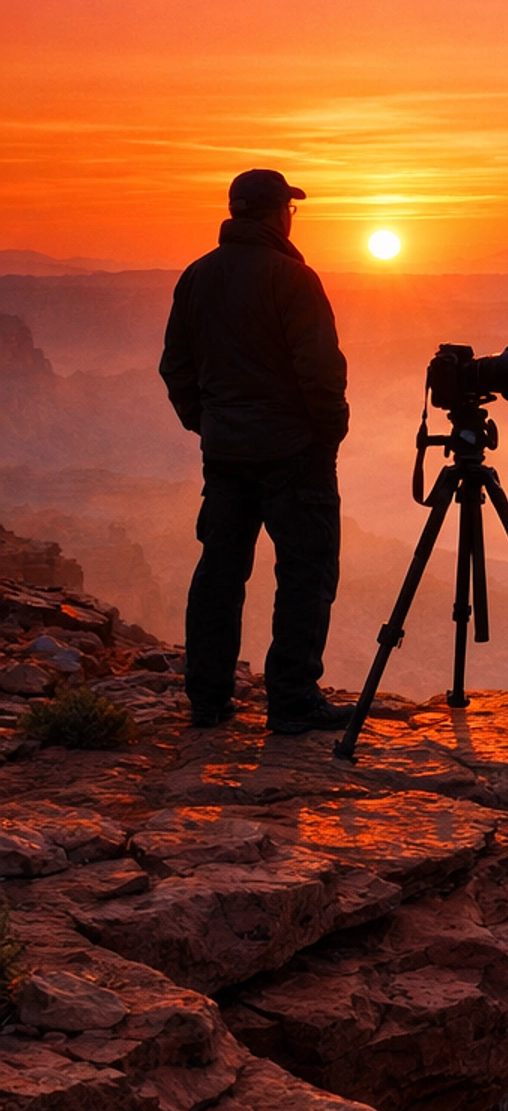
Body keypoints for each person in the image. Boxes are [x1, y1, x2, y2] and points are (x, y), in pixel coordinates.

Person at [160, 169, 353, 734]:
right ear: (278, 213)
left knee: (219, 571)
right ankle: (292, 700)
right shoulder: (292, 277)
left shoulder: (197, 276)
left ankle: (208, 700)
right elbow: (320, 370)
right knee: (305, 571)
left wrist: (208, 423)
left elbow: (176, 365)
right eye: (290, 208)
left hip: (225, 454)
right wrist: (327, 435)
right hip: (293, 452)